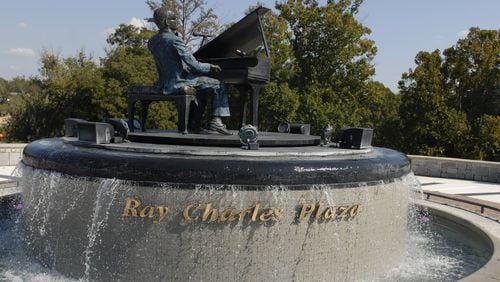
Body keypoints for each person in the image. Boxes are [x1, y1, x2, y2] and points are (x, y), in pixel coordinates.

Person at [148, 7, 232, 135]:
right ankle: (216, 122)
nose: (177, 22)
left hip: (164, 82)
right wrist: (210, 66)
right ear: (166, 21)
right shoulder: (175, 40)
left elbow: (169, 61)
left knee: (202, 89)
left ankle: (193, 123)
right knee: (219, 85)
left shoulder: (152, 41)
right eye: (174, 19)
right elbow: (195, 66)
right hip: (179, 82)